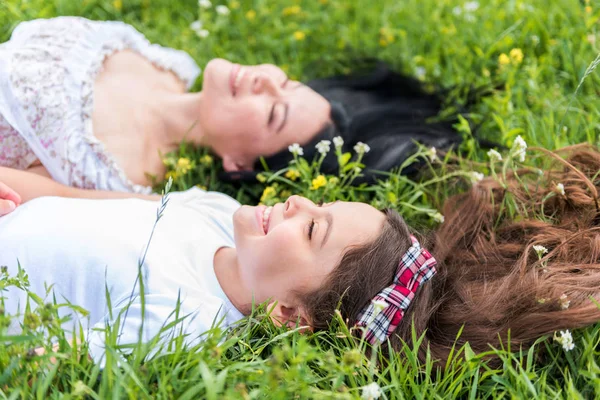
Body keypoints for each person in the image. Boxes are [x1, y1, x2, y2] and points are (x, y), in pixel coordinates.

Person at [2, 145, 600, 366]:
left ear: (291, 315)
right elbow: (75, 198)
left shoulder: (184, 321)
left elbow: (41, 351)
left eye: (313, 230)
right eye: (320, 204)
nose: (293, 200)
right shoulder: (211, 211)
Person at [0, 17, 464, 193]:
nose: (266, 81)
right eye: (286, 82)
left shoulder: (117, 178)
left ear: (238, 164)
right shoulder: (156, 59)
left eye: (273, 112)